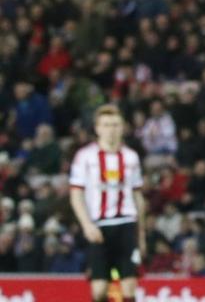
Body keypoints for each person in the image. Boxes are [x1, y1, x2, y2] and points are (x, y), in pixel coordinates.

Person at [70, 104, 146, 302]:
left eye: (115, 124)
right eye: (106, 125)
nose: (111, 129)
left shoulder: (131, 157)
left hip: (126, 224)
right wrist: (86, 225)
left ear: (122, 128)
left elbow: (138, 196)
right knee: (99, 290)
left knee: (129, 285)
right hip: (98, 226)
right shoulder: (84, 156)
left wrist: (141, 233)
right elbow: (76, 194)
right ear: (97, 128)